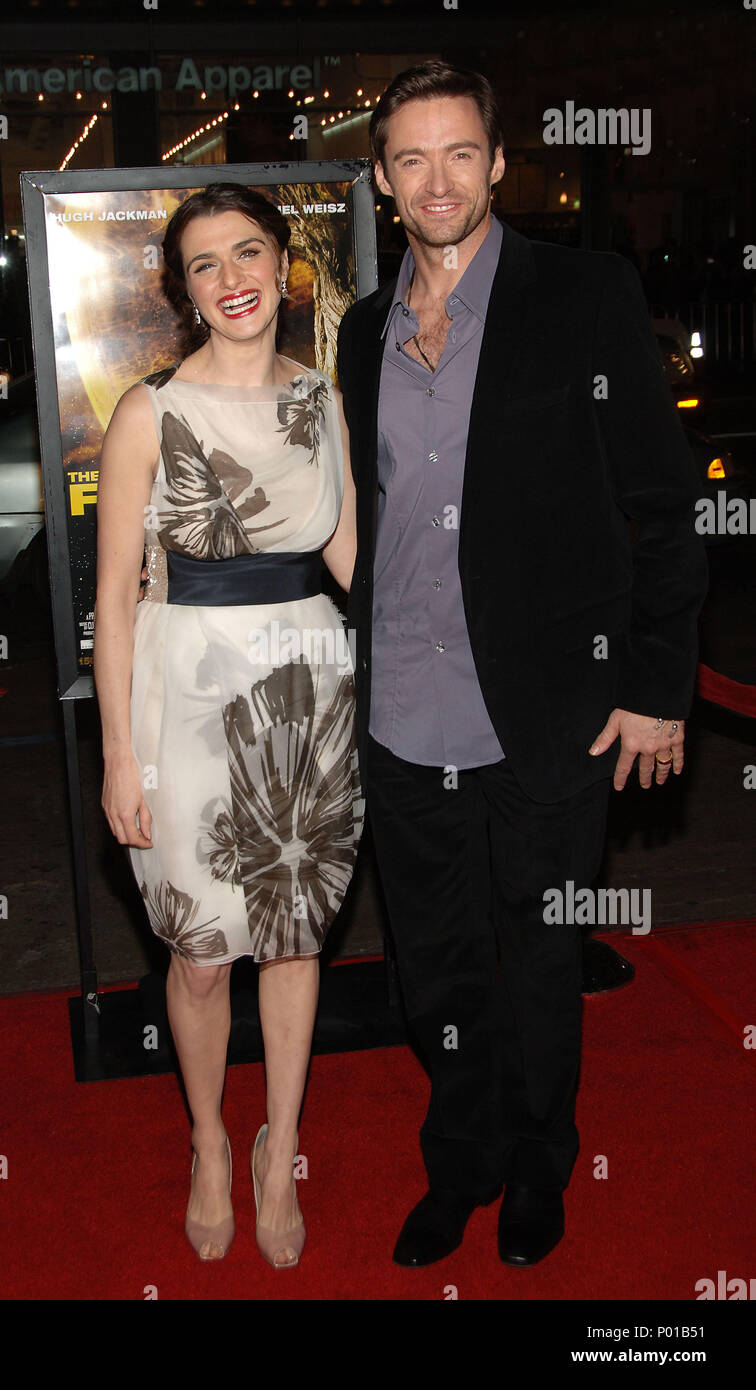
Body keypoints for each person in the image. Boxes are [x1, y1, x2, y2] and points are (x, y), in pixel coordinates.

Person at [336, 62, 708, 1269]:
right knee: (433, 969)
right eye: (409, 159)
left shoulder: (583, 294)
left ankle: (542, 1161)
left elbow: (659, 501)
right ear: (382, 182)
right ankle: (464, 1160)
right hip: (397, 706)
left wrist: (655, 683)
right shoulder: (358, 329)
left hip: (547, 706)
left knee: (537, 953)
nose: (435, 179)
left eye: (458, 153)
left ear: (496, 163)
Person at [93, 183, 363, 1269]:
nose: (231, 278)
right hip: (181, 692)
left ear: (284, 265)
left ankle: (278, 1144)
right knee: (200, 955)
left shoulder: (324, 402)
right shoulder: (146, 412)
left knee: (295, 940)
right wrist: (119, 752)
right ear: (184, 289)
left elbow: (355, 567)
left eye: (247, 252)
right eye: (204, 264)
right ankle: (209, 1139)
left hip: (308, 687)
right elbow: (113, 598)